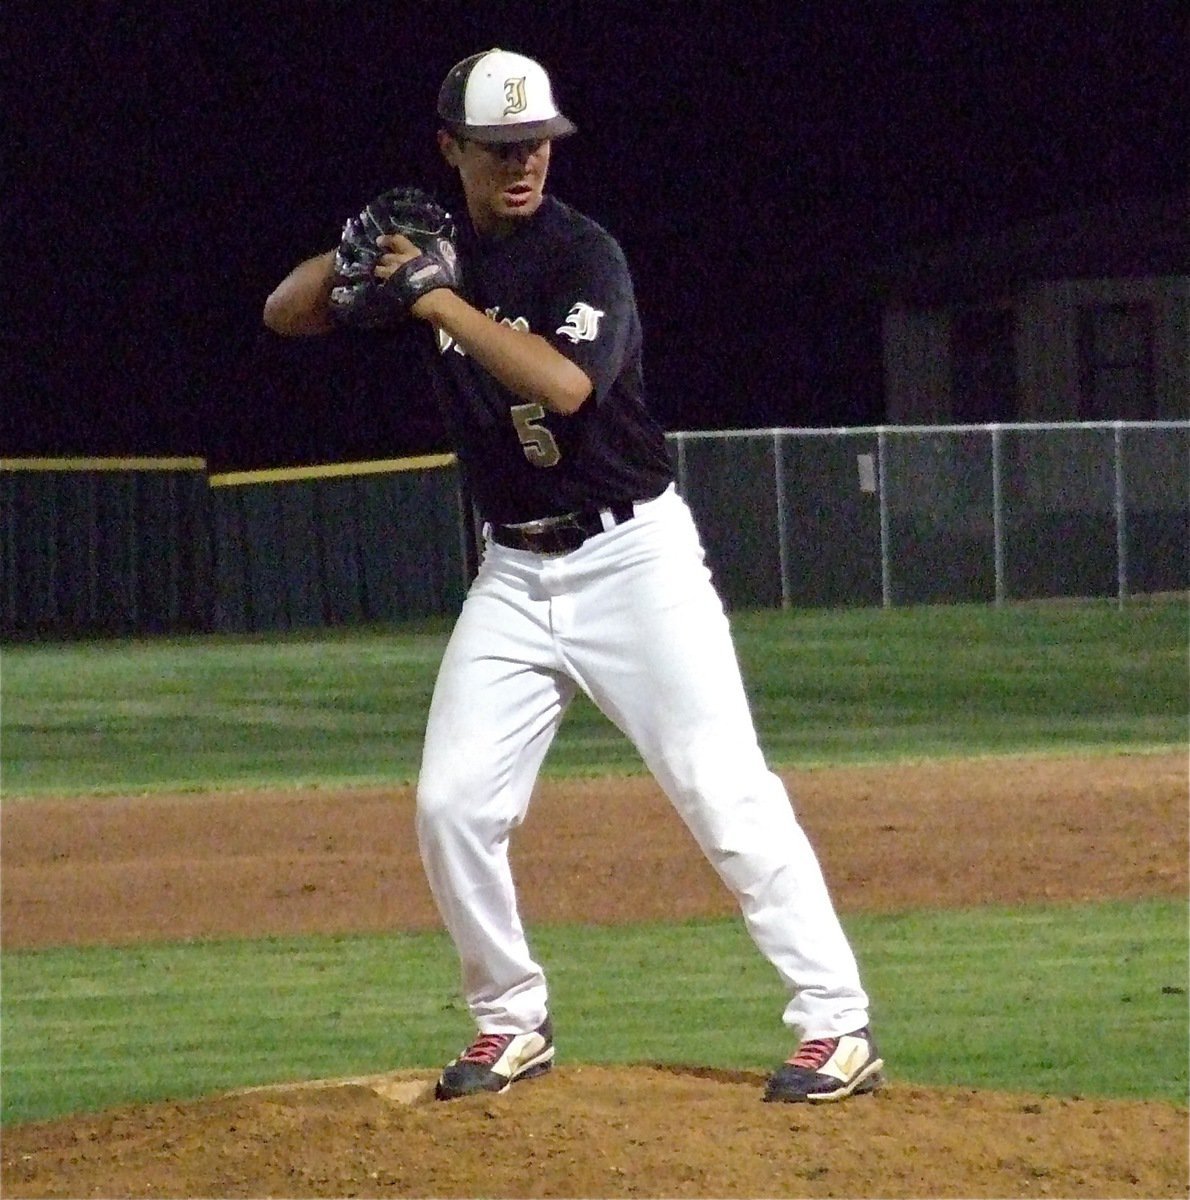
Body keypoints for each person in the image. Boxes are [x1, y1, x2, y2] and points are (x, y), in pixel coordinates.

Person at [263, 47, 882, 1104]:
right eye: (500, 146)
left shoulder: (581, 254)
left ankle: (836, 1024)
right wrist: (356, 251)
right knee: (451, 806)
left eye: (539, 142)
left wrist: (437, 302)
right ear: (451, 149)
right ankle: (510, 1021)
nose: (524, 163)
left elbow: (563, 385)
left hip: (631, 559)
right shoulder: (440, 242)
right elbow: (287, 313)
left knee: (722, 795)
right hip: (512, 572)